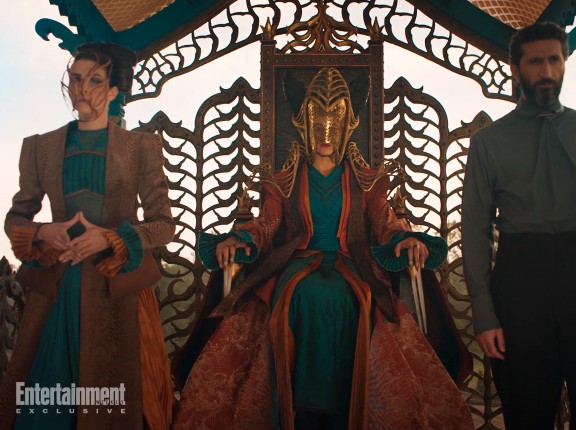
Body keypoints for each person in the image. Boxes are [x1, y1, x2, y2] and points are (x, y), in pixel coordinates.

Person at [173, 67, 473, 429]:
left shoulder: (365, 180)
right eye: (318, 119)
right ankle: (303, 406)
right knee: (304, 296)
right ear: (304, 122)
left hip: (351, 262)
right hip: (297, 262)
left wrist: (403, 237)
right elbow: (267, 222)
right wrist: (242, 238)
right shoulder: (284, 179)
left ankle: (344, 404)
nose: (326, 131)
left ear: (348, 123)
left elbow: (384, 221)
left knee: (355, 299)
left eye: (335, 120)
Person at [462, 22, 576, 429]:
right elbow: (475, 230)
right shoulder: (489, 143)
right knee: (527, 412)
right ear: (516, 69)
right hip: (521, 284)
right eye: (535, 62)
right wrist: (485, 314)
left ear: (564, 63)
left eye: (554, 60)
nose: (546, 71)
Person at [0, 43, 176, 430]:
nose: (81, 88)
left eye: (95, 80)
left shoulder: (140, 147)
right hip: (57, 292)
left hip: (118, 290)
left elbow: (164, 224)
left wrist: (111, 238)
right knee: (44, 407)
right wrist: (45, 230)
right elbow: (15, 219)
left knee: (113, 408)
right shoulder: (40, 147)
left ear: (113, 90)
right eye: (76, 79)